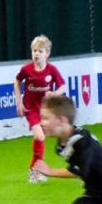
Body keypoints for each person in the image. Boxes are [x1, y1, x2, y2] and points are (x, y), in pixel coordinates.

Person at [14, 35, 66, 183]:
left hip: (45, 110)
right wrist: (19, 102)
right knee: (41, 136)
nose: (36, 54)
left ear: (47, 54)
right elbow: (17, 81)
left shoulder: (52, 70)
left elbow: (62, 86)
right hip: (30, 108)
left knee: (40, 138)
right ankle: (34, 171)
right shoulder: (26, 69)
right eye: (34, 51)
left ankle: (35, 170)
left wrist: (54, 94)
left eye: (40, 51)